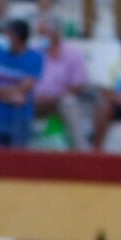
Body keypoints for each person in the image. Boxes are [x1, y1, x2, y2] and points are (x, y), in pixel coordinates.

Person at [0, 18, 43, 149]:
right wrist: (9, 96)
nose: (5, 38)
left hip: (19, 118)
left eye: (8, 35)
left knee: (17, 158)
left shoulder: (34, 57)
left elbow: (25, 88)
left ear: (17, 38)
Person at [33, 15, 89, 149]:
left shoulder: (73, 54)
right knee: (18, 101)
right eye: (39, 33)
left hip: (60, 100)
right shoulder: (33, 52)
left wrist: (56, 97)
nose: (41, 37)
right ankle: (16, 151)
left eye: (44, 33)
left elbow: (78, 85)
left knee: (69, 102)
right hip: (35, 100)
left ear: (55, 33)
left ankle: (81, 151)